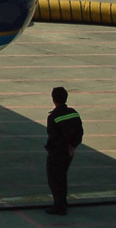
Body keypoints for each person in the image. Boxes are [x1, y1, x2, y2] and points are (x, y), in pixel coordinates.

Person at [45, 86, 84, 216]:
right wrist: (72, 146)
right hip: (69, 153)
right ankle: (62, 202)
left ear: (53, 99)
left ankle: (59, 207)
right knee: (62, 178)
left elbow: (54, 137)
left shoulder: (53, 117)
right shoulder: (73, 112)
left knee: (55, 180)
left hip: (57, 153)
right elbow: (80, 132)